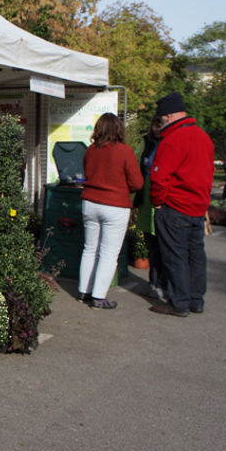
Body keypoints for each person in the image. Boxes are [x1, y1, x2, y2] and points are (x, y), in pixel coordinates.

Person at [148, 92, 214, 317]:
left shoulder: (173, 139)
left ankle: (179, 303)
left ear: (167, 116)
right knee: (196, 255)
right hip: (197, 205)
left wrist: (157, 202)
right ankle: (196, 300)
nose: (160, 122)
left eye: (161, 118)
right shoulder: (203, 137)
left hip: (175, 207)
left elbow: (158, 178)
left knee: (175, 257)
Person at [76, 113, 142, 309]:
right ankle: (98, 296)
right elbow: (137, 182)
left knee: (89, 248)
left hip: (90, 203)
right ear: (118, 130)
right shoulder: (125, 151)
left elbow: (87, 172)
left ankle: (83, 291)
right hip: (115, 205)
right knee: (109, 253)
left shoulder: (90, 151)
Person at [133, 115, 165, 299]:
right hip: (146, 200)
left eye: (160, 125)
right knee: (152, 246)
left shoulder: (169, 143)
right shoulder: (146, 143)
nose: (157, 128)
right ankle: (154, 281)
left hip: (163, 202)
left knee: (164, 245)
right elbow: (136, 164)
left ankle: (163, 282)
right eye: (155, 124)